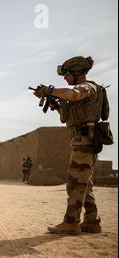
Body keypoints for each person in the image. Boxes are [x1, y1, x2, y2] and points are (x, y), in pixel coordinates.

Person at [33, 56, 110, 235]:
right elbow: (66, 117)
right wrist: (55, 105)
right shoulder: (78, 90)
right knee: (84, 184)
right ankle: (92, 222)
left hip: (85, 141)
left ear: (77, 73)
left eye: (67, 75)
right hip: (81, 139)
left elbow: (74, 94)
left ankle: (71, 222)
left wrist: (50, 90)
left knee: (75, 183)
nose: (65, 78)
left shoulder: (88, 87)